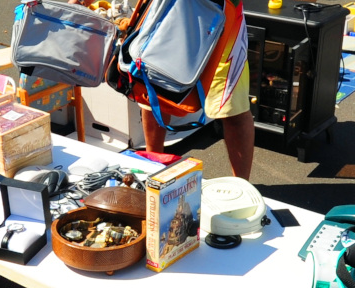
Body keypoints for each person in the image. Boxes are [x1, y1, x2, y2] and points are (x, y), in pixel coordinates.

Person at [70, 0, 255, 180]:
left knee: (233, 110)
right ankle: (153, 169)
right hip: (165, 12)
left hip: (221, 16)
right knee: (153, 91)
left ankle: (241, 186)